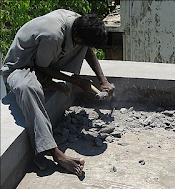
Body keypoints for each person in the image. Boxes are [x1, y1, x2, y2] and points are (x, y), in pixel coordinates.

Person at [0, 9, 114, 176]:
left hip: (44, 59)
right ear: (77, 38)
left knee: (82, 48)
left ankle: (46, 82)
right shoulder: (53, 35)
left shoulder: (78, 22)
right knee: (29, 89)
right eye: (82, 42)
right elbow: (41, 67)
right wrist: (77, 81)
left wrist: (103, 81)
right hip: (21, 67)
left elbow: (87, 50)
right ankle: (55, 154)